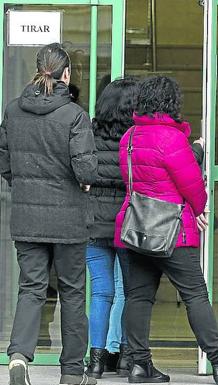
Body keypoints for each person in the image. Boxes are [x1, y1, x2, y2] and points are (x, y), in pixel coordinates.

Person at [114, 76, 218, 384]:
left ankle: (140, 365)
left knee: (138, 296)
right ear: (171, 103)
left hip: (136, 227)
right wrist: (200, 206)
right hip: (172, 229)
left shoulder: (130, 137)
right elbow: (192, 187)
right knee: (195, 294)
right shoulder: (172, 138)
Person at [0, 43, 98, 385]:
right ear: (66, 75)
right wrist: (83, 182)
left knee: (31, 289)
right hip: (68, 219)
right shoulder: (75, 116)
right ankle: (72, 373)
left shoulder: (13, 111)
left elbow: (4, 162)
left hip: (26, 219)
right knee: (72, 292)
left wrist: (23, 186)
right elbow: (86, 172)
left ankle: (17, 358)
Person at [84, 78, 139, 378]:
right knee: (131, 292)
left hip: (93, 223)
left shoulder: (88, 136)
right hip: (127, 225)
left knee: (101, 293)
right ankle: (128, 358)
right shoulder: (134, 139)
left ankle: (95, 360)